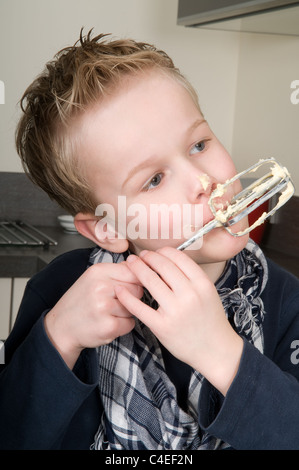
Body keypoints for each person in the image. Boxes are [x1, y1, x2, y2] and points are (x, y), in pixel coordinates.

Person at [1, 29, 299, 450]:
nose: (204, 181)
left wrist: (221, 354)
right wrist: (61, 338)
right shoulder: (61, 293)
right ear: (108, 227)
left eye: (199, 144)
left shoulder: (286, 304)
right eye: (154, 179)